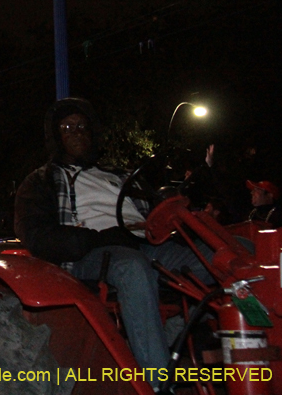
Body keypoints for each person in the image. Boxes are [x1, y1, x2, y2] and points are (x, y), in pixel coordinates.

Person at [14, 98, 212, 389]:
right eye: (67, 127)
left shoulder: (120, 175)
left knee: (223, 256)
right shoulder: (42, 181)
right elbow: (37, 236)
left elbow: (156, 213)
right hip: (92, 253)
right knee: (133, 267)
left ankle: (182, 333)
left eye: (82, 126)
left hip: (146, 244)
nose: (77, 132)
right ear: (56, 136)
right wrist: (100, 238)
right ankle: (157, 383)